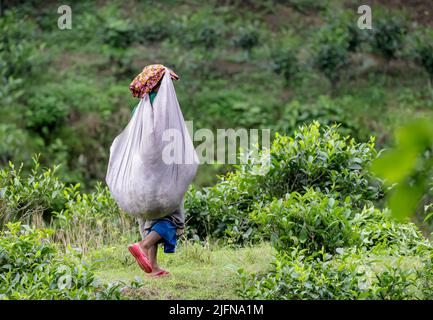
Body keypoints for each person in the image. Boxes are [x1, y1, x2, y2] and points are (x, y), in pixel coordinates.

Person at [126, 64, 182, 278]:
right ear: (161, 83)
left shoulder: (139, 108)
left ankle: (153, 267)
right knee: (173, 218)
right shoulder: (164, 106)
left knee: (150, 220)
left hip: (140, 177)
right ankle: (142, 245)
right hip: (160, 176)